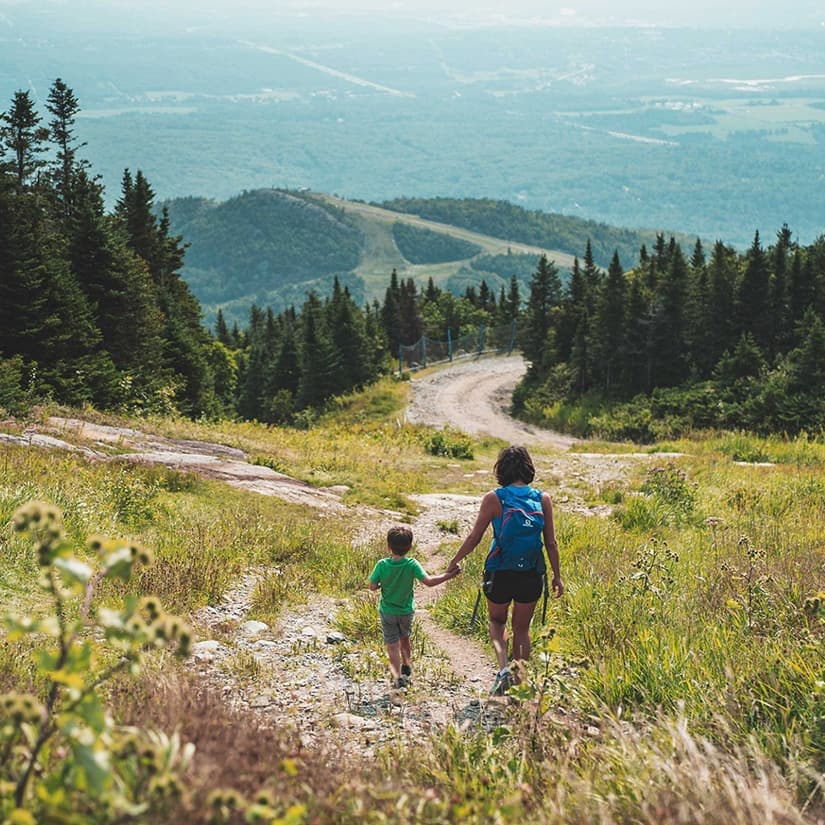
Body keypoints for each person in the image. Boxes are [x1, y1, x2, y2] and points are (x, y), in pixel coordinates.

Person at [447, 445, 563, 695]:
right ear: (528, 467)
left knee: (497, 620)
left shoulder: (494, 498)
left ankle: (502, 670)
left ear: (501, 469)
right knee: (522, 628)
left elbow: (475, 536)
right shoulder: (542, 499)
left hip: (500, 571)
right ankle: (520, 683)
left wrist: (454, 560)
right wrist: (557, 576)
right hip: (531, 572)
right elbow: (551, 543)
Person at [369, 525, 461, 689]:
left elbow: (372, 586)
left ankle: (397, 677)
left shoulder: (381, 565)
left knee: (392, 645)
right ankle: (407, 667)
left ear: (388, 546)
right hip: (406, 611)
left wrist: (381, 584)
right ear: (410, 547)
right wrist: (448, 575)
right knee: (405, 638)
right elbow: (429, 582)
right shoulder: (412, 564)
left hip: (388, 611)